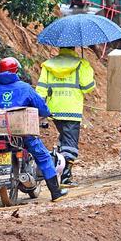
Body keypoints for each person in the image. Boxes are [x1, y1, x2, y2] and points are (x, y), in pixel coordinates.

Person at [0, 57, 68, 204]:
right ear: (15, 71)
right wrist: (46, 113)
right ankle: (56, 192)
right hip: (22, 134)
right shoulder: (25, 88)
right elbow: (41, 107)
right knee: (43, 157)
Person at [36, 47, 95, 187]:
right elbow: (88, 87)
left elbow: (41, 90)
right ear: (73, 48)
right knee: (70, 144)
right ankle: (65, 177)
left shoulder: (48, 65)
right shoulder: (81, 64)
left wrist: (40, 109)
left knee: (64, 139)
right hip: (72, 110)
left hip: (54, 109)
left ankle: (59, 167)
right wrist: (87, 69)